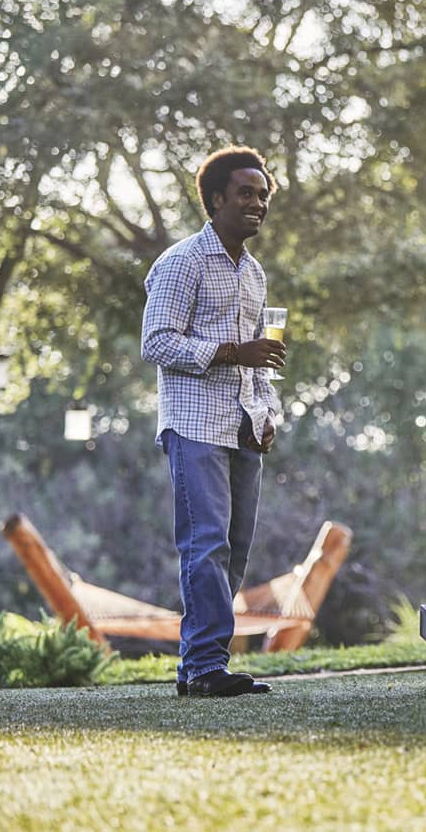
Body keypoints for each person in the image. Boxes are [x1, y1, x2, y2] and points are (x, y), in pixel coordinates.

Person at [141, 146, 287, 698]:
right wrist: (231, 352)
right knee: (206, 546)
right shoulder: (180, 262)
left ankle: (200, 665)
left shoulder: (254, 275)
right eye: (247, 193)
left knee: (235, 549)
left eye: (264, 195)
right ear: (217, 198)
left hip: (243, 428)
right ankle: (204, 667)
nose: (258, 203)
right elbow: (156, 342)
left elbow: (262, 364)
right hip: (194, 427)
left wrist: (269, 416)